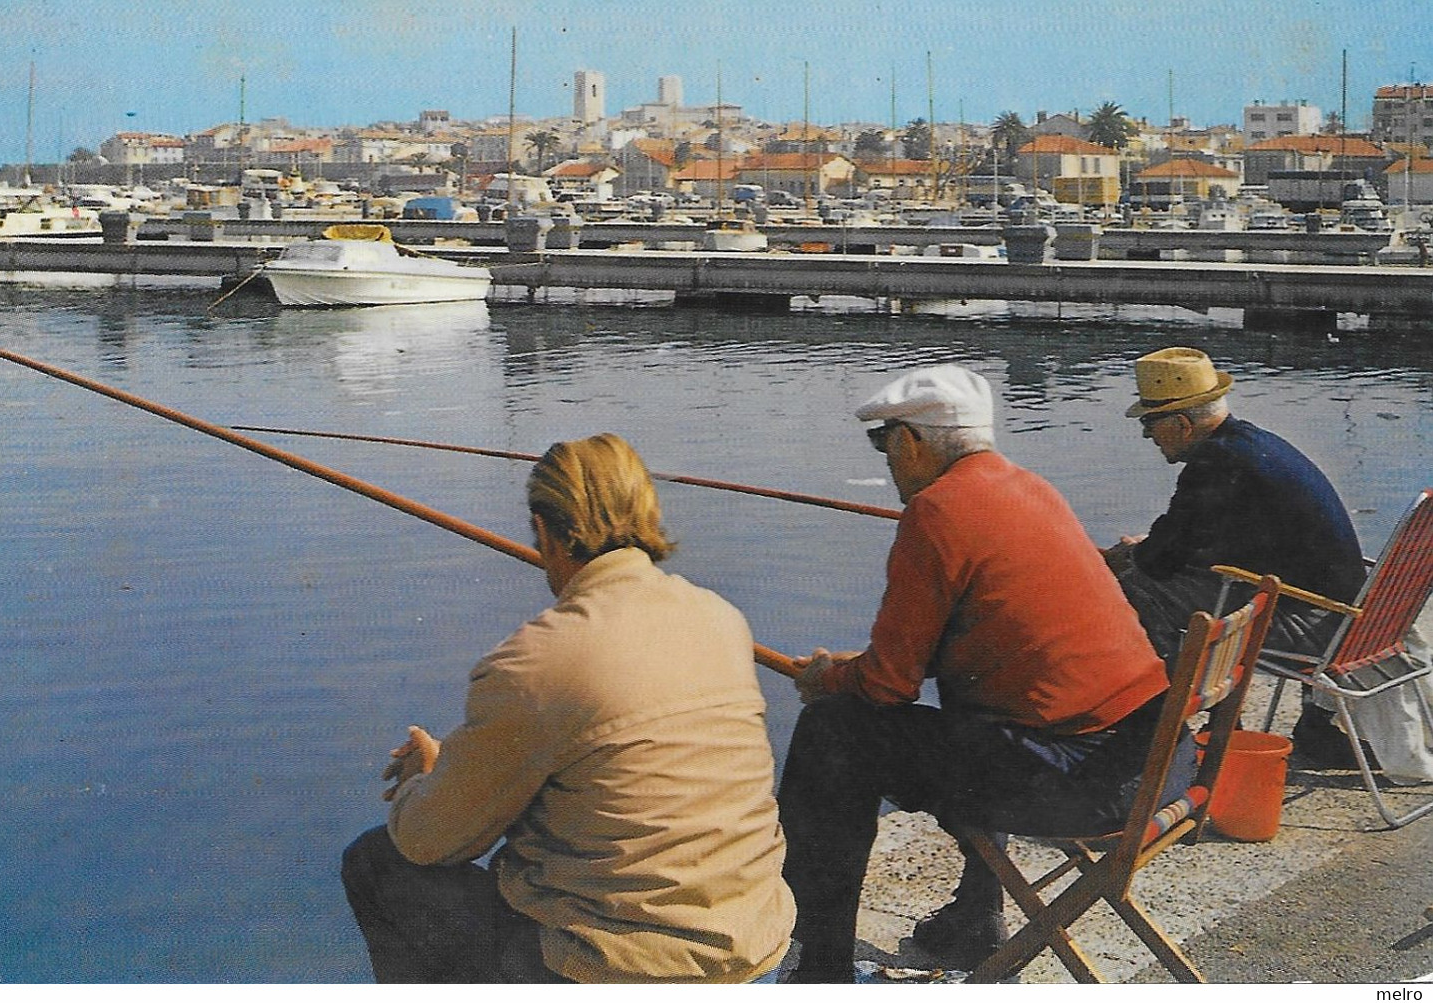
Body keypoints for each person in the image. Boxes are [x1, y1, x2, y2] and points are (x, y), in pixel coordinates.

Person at [340, 433, 795, 983]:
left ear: (543, 530)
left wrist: (425, 781)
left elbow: (431, 842)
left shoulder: (534, 661)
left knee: (377, 862)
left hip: (621, 973)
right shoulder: (722, 619)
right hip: (751, 952)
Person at [777, 365, 1178, 982]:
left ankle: (818, 967)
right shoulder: (1030, 488)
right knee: (965, 704)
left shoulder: (936, 511)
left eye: (883, 442)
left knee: (833, 732)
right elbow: (961, 644)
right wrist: (852, 670)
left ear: (911, 440)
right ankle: (974, 916)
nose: (886, 459)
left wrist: (828, 681)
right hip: (1159, 759)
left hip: (1086, 784)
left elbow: (888, 687)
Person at [1103, 347, 1367, 763]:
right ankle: (1254, 726)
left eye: (1151, 423)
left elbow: (1160, 562)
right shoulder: (1252, 444)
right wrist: (1152, 548)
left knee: (1131, 594)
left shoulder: (1215, 461)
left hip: (1316, 625)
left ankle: (1154, 733)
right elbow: (1197, 542)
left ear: (1182, 423)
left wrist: (1130, 556)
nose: (1146, 435)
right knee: (1172, 584)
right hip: (1348, 615)